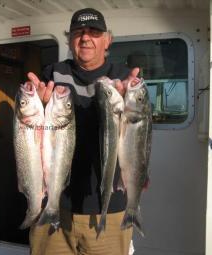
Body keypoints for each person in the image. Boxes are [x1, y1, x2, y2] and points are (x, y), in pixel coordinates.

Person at [27, 8, 140, 255]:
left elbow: (137, 138)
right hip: (55, 204)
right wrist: (40, 106)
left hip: (108, 211)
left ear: (107, 40)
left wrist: (126, 106)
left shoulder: (122, 78)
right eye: (78, 32)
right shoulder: (54, 73)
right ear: (69, 39)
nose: (86, 38)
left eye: (94, 32)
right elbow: (40, 133)